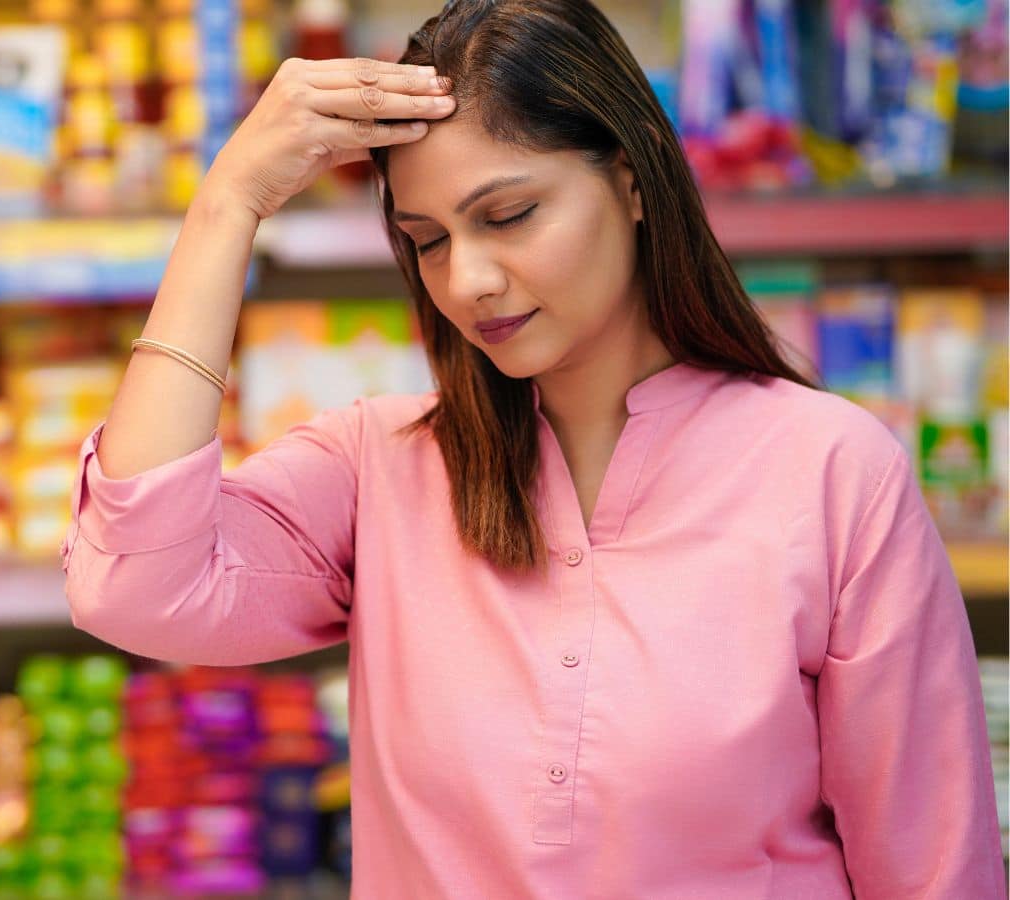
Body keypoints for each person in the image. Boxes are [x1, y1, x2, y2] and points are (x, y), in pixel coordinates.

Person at [60, 0, 1007, 895]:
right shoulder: (377, 467)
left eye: (508, 216)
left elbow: (928, 862)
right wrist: (227, 204)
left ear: (631, 181)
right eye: (425, 241)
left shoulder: (831, 469)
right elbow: (135, 584)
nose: (467, 281)